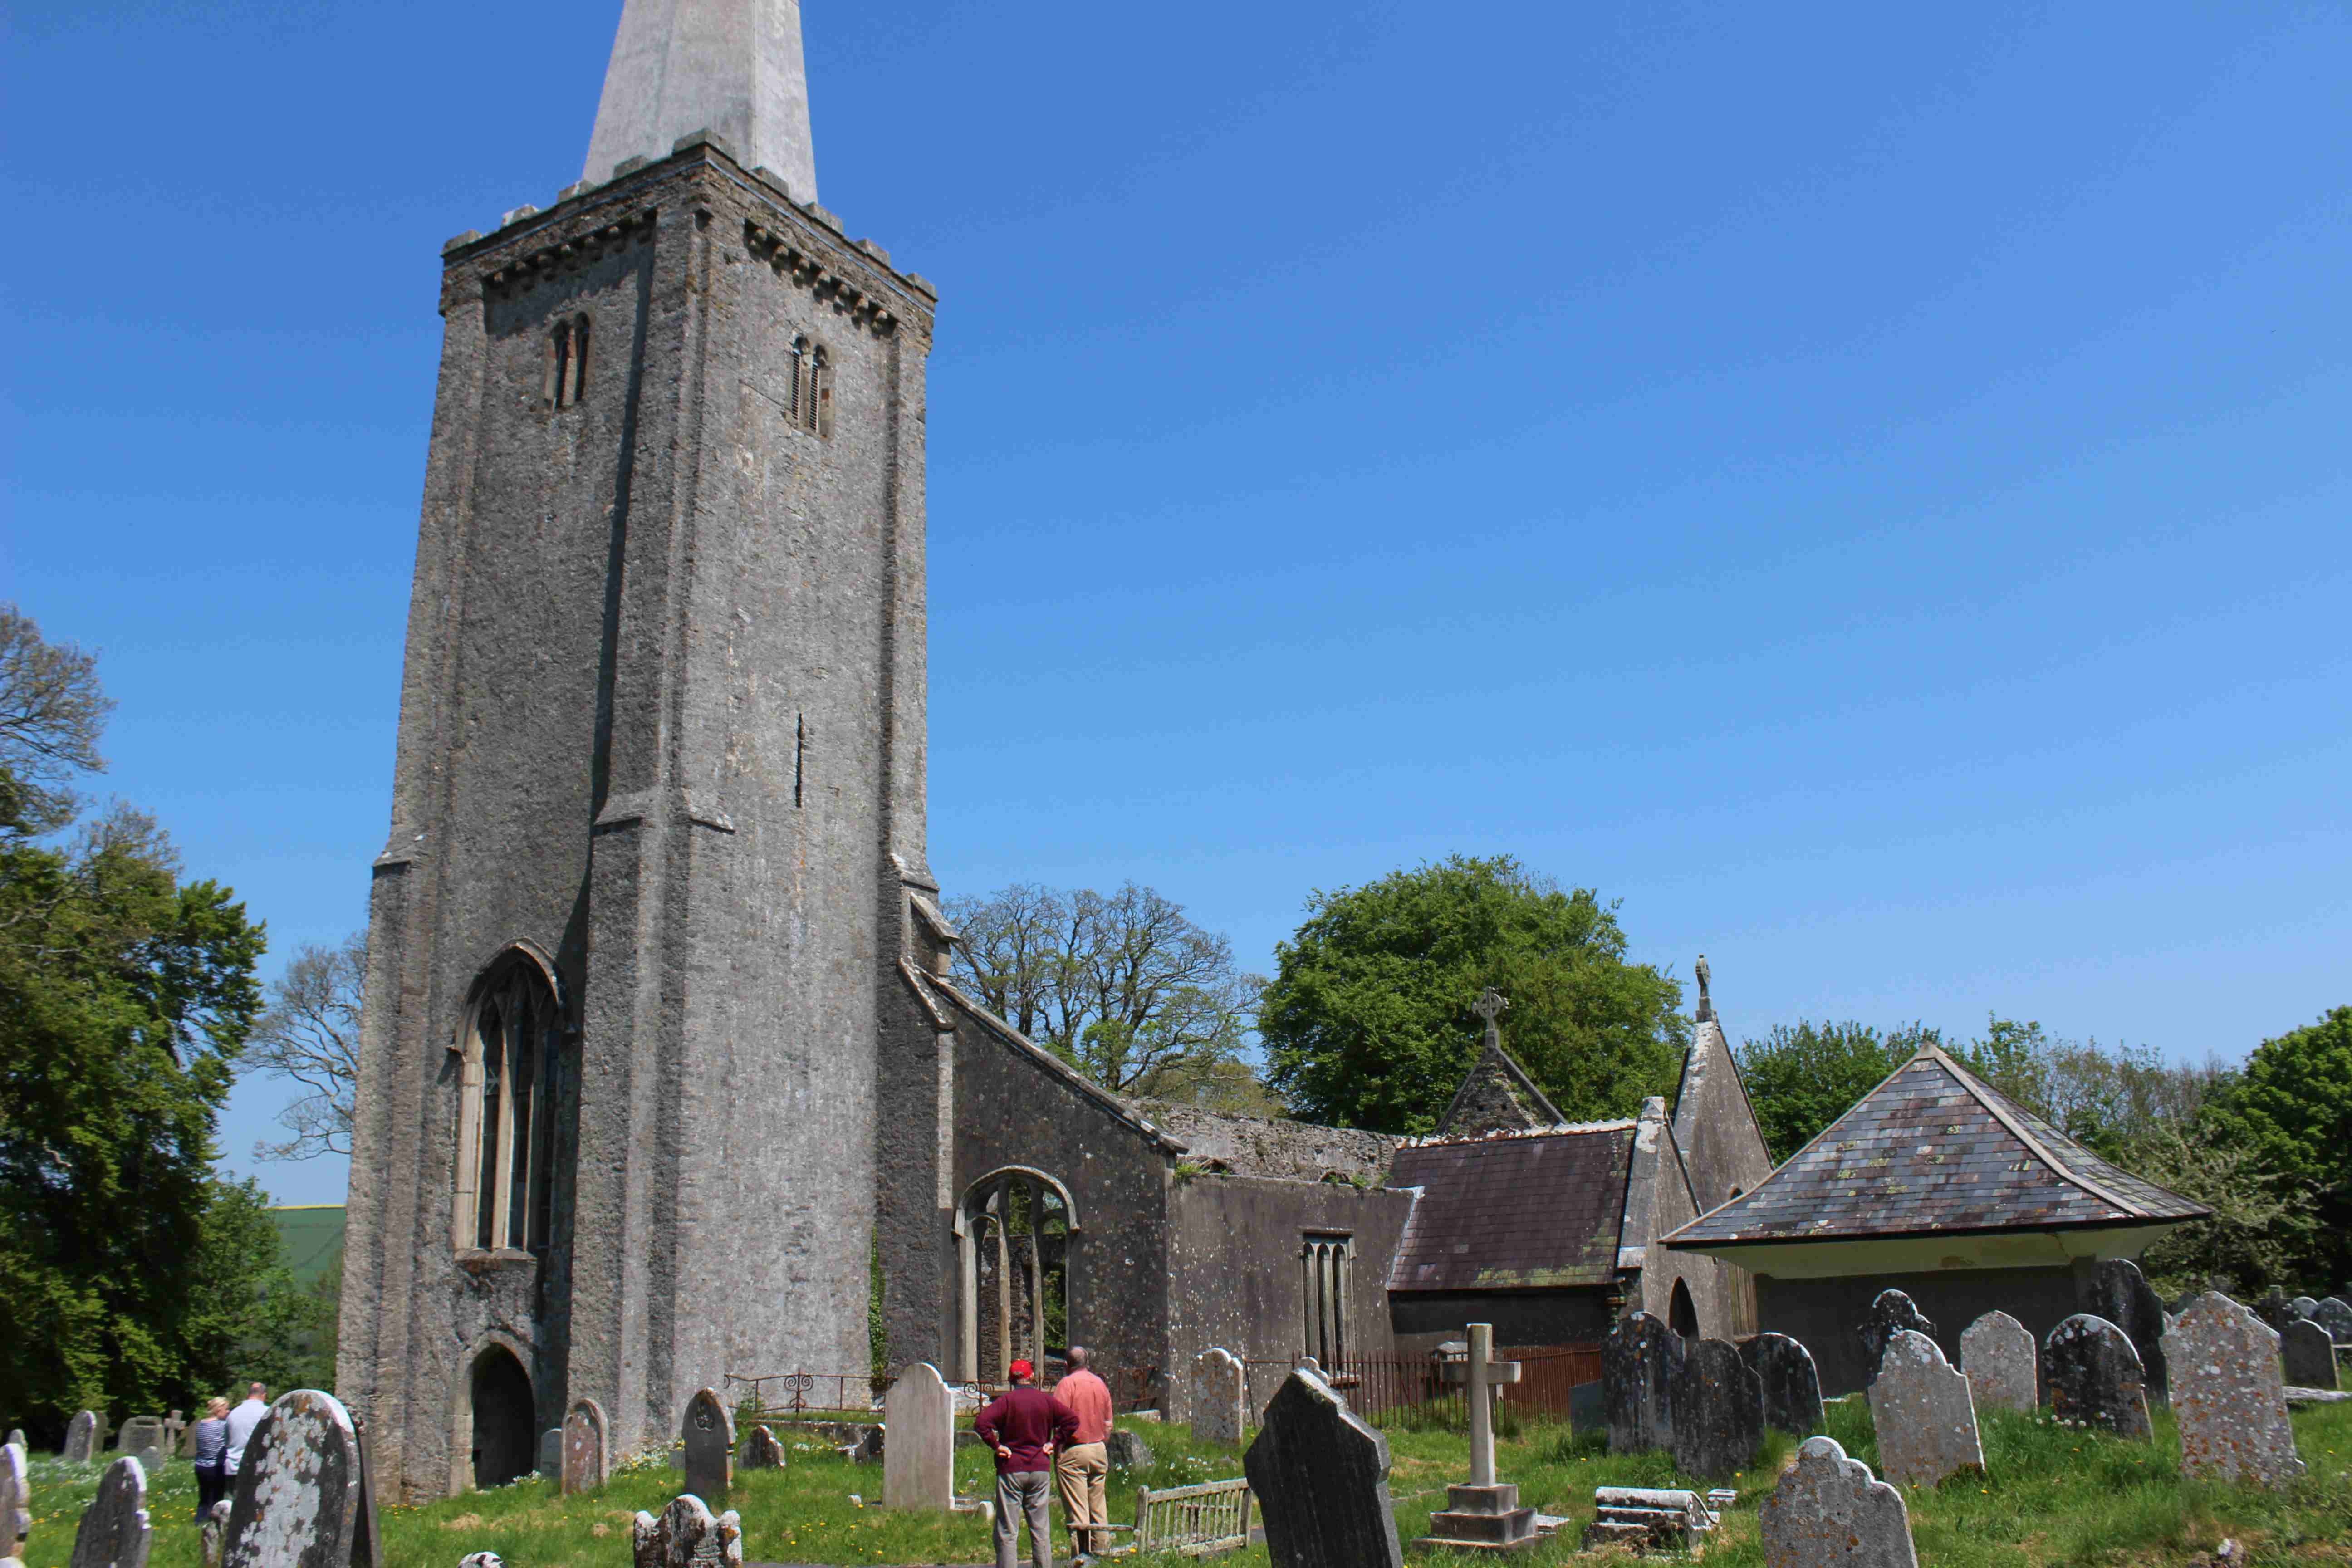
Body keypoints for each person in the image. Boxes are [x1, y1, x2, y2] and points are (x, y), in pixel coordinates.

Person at [974, 1359, 1077, 1568]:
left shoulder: (1006, 1402)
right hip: (1039, 1468)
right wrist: (1054, 1443)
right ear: (1031, 1377)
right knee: (1040, 1530)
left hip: (1011, 1468)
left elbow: (981, 1424)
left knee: (1007, 1531)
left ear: (1012, 1380)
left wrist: (997, 1446)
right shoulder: (1045, 1401)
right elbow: (1072, 1420)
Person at [1052, 1348, 1114, 1563]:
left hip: (1075, 1450)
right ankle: (1103, 1551)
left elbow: (1060, 1422)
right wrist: (1100, 1443)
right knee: (1098, 1503)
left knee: (1079, 1508)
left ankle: (1082, 1557)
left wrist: (1058, 1452)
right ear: (1088, 1362)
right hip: (1099, 1448)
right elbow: (1108, 1424)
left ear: (1067, 1365)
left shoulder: (1067, 1385)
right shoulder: (1100, 1384)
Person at [191, 1397, 231, 1519]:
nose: (229, 1411)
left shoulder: (201, 1424)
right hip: (215, 1466)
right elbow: (229, 1443)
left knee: (204, 1498)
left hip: (200, 1466)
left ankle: (199, 1520)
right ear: (219, 1409)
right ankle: (214, 1524)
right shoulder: (222, 1425)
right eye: (226, 1409)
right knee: (217, 1499)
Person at [222, 1383, 269, 1481]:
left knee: (231, 1496)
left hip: (233, 1467)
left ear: (249, 1395)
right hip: (255, 1468)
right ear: (264, 1395)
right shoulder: (267, 1412)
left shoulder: (233, 1413)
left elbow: (227, 1441)